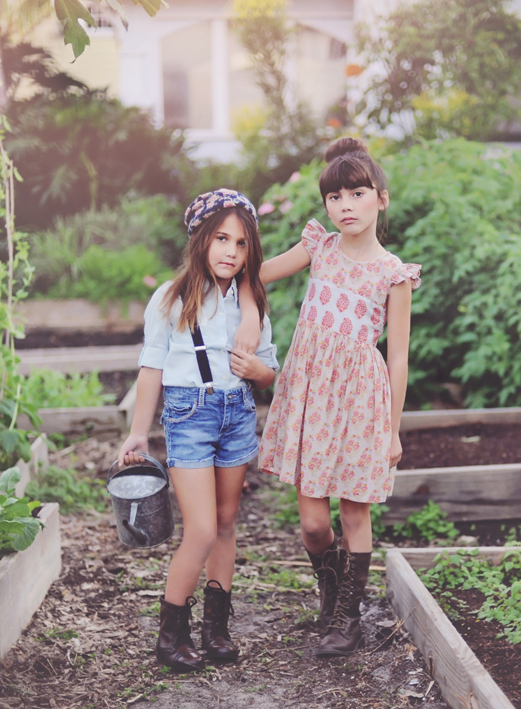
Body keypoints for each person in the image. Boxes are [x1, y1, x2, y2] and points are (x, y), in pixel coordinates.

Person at [238, 137, 420, 657]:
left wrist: (392, 429)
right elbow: (254, 276)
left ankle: (347, 619)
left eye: (357, 194)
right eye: (335, 197)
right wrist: (248, 312)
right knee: (315, 524)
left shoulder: (394, 274)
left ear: (380, 199)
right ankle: (332, 587)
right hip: (310, 390)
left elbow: (400, 356)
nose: (345, 206)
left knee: (354, 514)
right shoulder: (318, 247)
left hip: (361, 397)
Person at [117, 189, 278, 673]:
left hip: (238, 415)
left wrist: (256, 371)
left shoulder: (252, 306)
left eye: (242, 243)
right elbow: (152, 369)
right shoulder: (170, 299)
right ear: (201, 240)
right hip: (189, 417)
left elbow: (272, 372)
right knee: (202, 529)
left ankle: (216, 628)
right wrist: (138, 433)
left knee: (226, 524)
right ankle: (171, 634)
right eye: (222, 239)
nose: (232, 251)